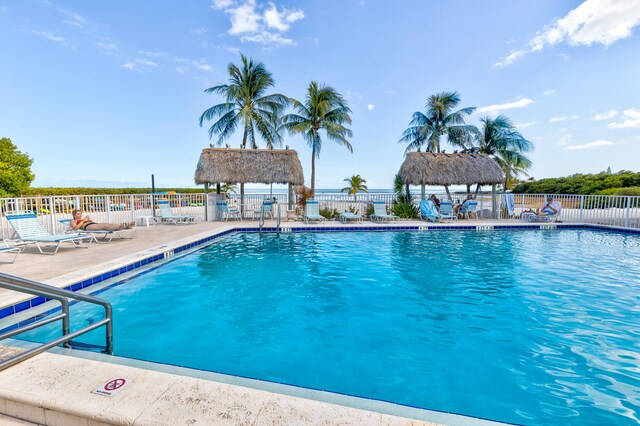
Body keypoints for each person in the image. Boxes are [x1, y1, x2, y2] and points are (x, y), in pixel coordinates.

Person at [70, 210, 134, 231]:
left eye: (81, 213)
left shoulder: (82, 219)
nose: (80, 215)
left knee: (108, 224)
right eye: (78, 214)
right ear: (74, 215)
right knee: (104, 225)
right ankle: (118, 227)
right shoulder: (73, 221)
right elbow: (75, 228)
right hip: (87, 227)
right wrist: (83, 221)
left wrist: (88, 220)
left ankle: (126, 227)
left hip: (92, 224)